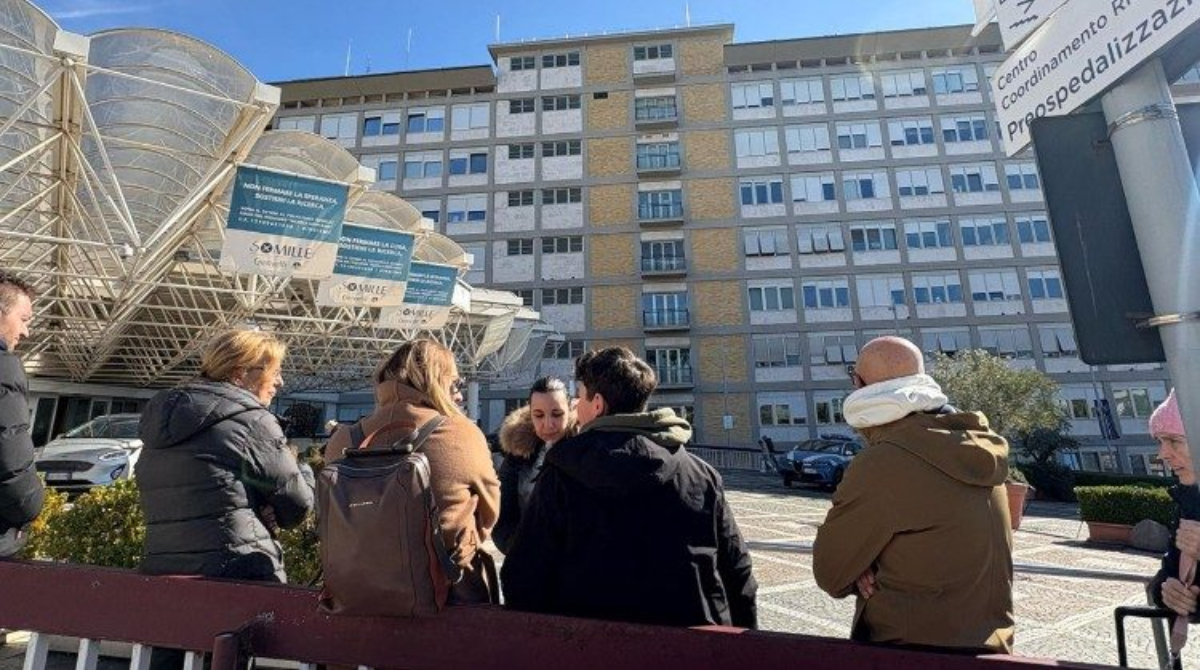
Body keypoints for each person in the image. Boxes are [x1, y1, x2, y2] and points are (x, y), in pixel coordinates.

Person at [501, 346, 758, 628]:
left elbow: (524, 574)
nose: (576, 404)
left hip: (587, 645)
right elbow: (737, 572)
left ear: (596, 404)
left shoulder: (561, 472)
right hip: (692, 647)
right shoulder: (702, 475)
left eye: (579, 395)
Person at [812, 336, 1014, 654]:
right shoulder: (977, 445)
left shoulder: (884, 462)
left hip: (909, 651)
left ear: (859, 384)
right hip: (992, 649)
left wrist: (865, 565)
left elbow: (831, 571)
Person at [325, 339, 500, 603]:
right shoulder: (461, 433)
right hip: (447, 592)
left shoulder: (344, 440)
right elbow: (489, 511)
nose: (460, 395)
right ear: (435, 382)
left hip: (359, 592)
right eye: (455, 383)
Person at [137, 329, 315, 582]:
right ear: (241, 373)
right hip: (237, 574)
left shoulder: (163, 420)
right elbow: (297, 506)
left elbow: (207, 489)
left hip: (160, 572)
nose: (280, 382)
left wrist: (254, 504)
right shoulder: (252, 421)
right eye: (274, 372)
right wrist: (305, 472)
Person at [492, 376, 576, 553]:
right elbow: (503, 519)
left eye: (557, 414)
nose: (548, 424)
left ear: (569, 410)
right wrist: (521, 550)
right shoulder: (518, 452)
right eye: (538, 415)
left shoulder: (585, 449)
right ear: (530, 414)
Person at [0, 272, 44, 557]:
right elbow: (9, 457)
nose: (26, 332)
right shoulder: (4, 369)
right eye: (24, 319)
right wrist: (31, 504)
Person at [1148, 390, 1200, 627]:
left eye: (1174, 441)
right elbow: (1170, 570)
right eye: (1160, 441)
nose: (1162, 454)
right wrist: (1165, 591)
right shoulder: (1188, 501)